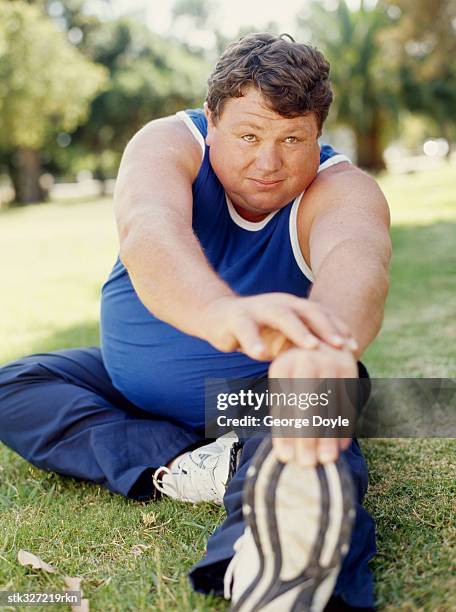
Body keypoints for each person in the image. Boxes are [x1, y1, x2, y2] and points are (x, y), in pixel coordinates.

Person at [0, 33, 391, 611]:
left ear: (318, 135)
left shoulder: (340, 189)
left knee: (314, 421)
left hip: (257, 397)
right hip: (127, 386)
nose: (268, 161)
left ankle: (270, 564)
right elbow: (149, 231)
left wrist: (328, 341)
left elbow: (358, 259)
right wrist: (219, 312)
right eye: (249, 135)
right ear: (212, 120)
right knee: (15, 387)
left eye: (292, 139)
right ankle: (190, 462)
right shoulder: (168, 143)